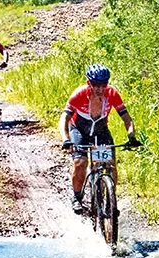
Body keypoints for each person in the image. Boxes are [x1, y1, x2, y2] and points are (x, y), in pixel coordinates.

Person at [58, 63, 141, 214]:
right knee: (80, 163)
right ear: (88, 83)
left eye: (104, 84)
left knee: (110, 164)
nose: (100, 89)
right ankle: (77, 198)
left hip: (100, 130)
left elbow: (127, 118)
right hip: (79, 130)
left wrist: (131, 136)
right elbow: (64, 118)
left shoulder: (112, 94)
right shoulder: (79, 94)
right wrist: (66, 139)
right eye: (96, 85)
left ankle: (110, 199)